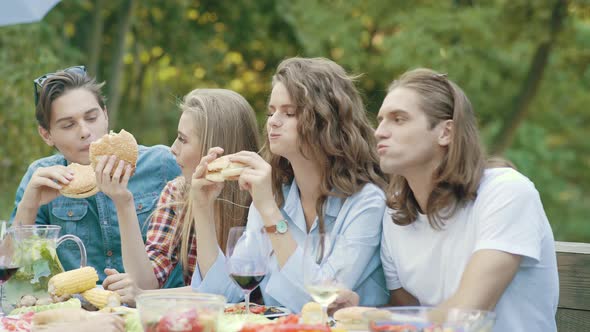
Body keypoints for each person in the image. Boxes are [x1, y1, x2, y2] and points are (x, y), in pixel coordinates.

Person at [190, 57, 390, 313]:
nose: (273, 121)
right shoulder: (276, 195)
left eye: (289, 113)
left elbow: (318, 304)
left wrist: (270, 213)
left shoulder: (366, 203)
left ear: (326, 121)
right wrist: (202, 208)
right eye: (271, 112)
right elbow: (223, 294)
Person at [373, 69, 558, 331]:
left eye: (398, 119)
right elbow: (409, 310)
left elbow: (467, 314)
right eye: (380, 120)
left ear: (446, 133)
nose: (380, 132)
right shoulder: (395, 215)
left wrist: (370, 320)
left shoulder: (507, 192)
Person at [9, 66, 182, 287]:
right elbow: (13, 274)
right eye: (68, 124)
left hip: (154, 309)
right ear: (46, 134)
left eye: (91, 117)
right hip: (79, 313)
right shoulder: (41, 178)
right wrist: (29, 205)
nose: (84, 131)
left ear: (106, 115)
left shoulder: (163, 164)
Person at [100, 89, 260, 300]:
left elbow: (234, 292)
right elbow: (145, 282)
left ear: (214, 148)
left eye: (183, 140)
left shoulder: (261, 195)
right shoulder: (178, 192)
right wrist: (124, 203)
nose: (173, 149)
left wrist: (144, 297)